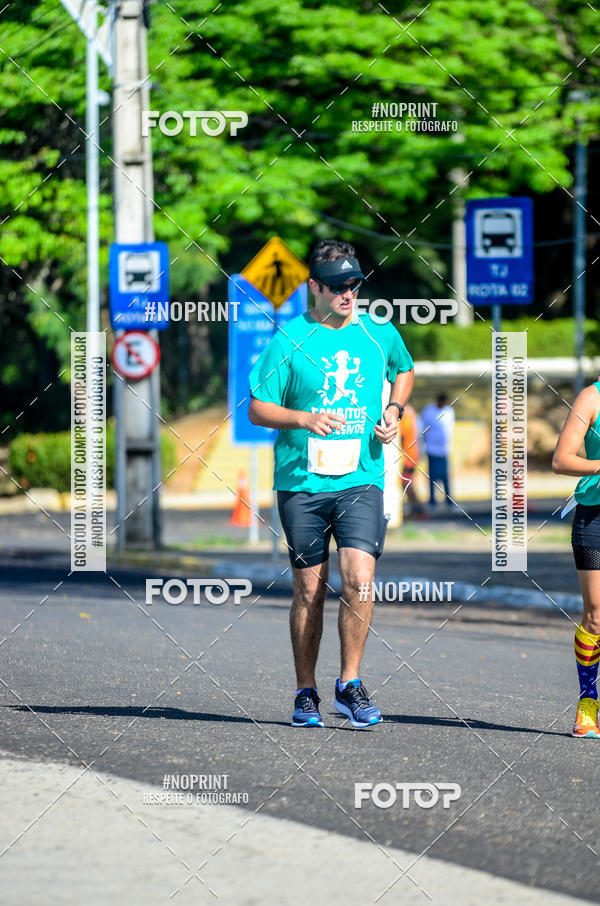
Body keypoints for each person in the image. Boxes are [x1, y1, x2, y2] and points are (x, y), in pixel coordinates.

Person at [248, 239, 414, 728]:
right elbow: (257, 407)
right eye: (338, 286)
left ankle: (349, 684)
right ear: (314, 287)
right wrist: (303, 418)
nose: (348, 294)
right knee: (309, 590)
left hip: (361, 477)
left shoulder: (378, 331)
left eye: (355, 284)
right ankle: (306, 692)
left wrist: (393, 410)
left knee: (360, 579)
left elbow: (404, 370)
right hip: (302, 483)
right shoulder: (289, 339)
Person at [553, 380, 600, 737]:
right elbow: (561, 459)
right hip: (594, 518)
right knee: (596, 615)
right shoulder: (592, 397)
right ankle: (588, 704)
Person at [421, 393, 454, 509]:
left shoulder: (449, 411)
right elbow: (423, 429)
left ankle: (449, 502)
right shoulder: (429, 411)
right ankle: (432, 502)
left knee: (446, 477)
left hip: (444, 451)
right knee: (432, 477)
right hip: (432, 451)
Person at [399, 403, 424, 517]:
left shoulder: (405, 413)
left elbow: (402, 434)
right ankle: (416, 509)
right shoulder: (411, 412)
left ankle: (417, 510)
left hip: (409, 455)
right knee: (408, 483)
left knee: (406, 483)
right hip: (412, 453)